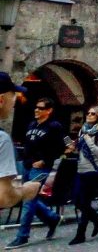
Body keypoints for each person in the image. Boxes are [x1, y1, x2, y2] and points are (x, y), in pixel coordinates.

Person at [6, 97, 64, 249]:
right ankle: (52, 218)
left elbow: (61, 147)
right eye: (36, 107)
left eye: (41, 108)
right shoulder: (32, 124)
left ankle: (22, 236)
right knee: (25, 196)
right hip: (27, 165)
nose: (36, 110)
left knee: (28, 200)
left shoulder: (54, 126)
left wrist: (45, 160)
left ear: (49, 110)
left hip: (40, 167)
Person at [68, 106, 98, 245]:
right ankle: (97, 218)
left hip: (94, 171)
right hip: (81, 169)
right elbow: (81, 151)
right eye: (88, 113)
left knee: (84, 202)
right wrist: (73, 148)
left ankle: (81, 234)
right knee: (76, 200)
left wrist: (88, 140)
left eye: (93, 114)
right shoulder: (82, 130)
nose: (89, 115)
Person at [0, 74, 42, 210]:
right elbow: (3, 196)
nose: (14, 101)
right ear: (1, 100)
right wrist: (25, 191)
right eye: (13, 95)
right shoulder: (2, 139)